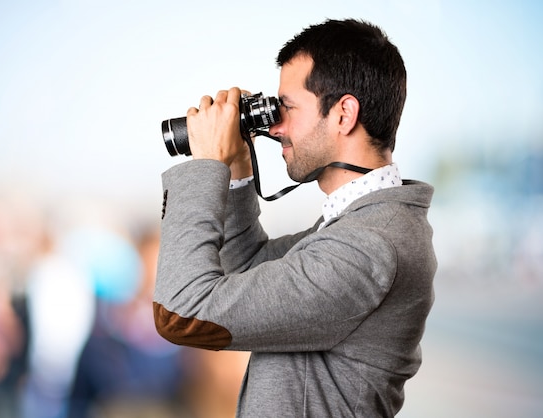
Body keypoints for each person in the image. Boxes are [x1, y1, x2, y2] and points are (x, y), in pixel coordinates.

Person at [153, 18, 437, 417]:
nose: (276, 127)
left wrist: (206, 166)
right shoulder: (357, 229)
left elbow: (183, 313)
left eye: (286, 108)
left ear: (344, 114)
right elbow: (241, 274)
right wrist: (235, 167)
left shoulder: (368, 246)